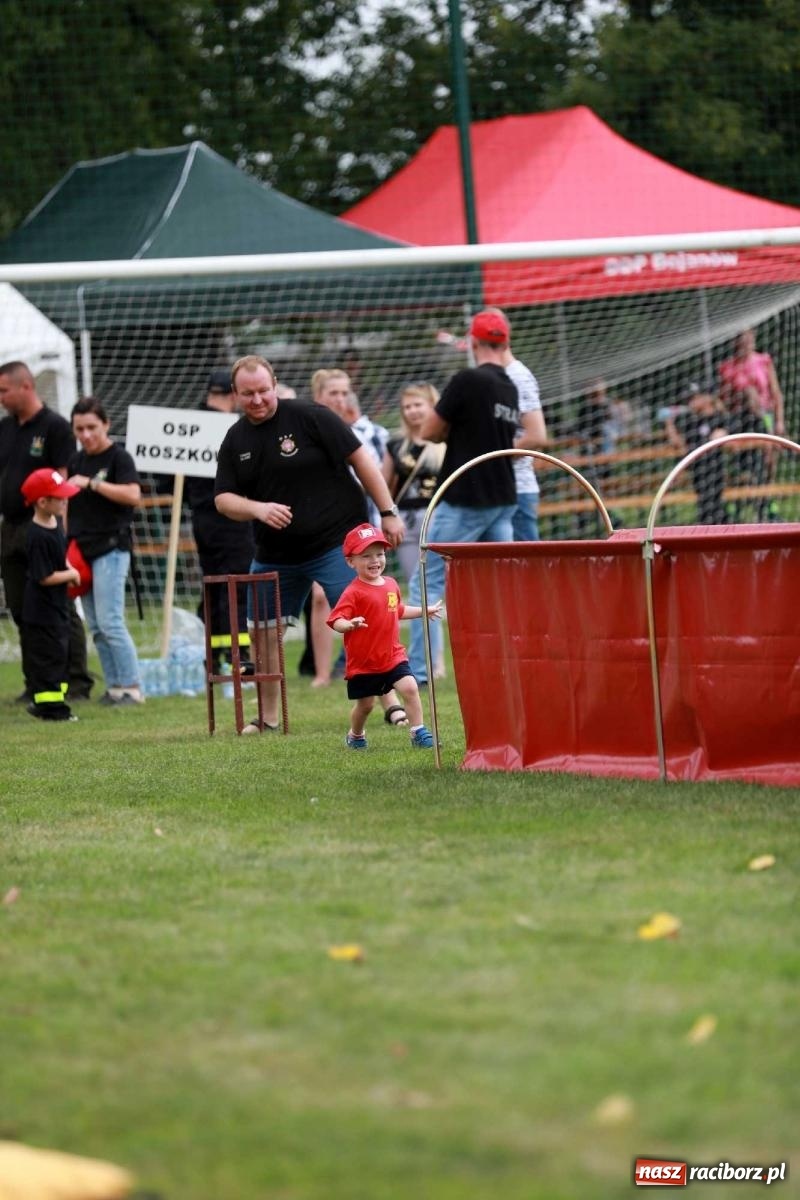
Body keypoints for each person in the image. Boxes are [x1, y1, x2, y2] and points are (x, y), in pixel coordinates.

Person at [214, 355, 404, 734]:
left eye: (263, 391)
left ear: (275, 385)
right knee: (263, 632)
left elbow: (362, 460)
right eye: (248, 393)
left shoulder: (311, 416)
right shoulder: (235, 439)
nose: (257, 400)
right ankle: (268, 718)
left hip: (337, 542)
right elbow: (223, 500)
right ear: (236, 395)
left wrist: (387, 511)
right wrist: (258, 508)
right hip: (276, 553)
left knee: (367, 618)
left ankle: (393, 702)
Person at [405, 310, 522, 686]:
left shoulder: (466, 380)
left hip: (465, 498)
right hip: (503, 497)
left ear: (472, 344)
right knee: (497, 587)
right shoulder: (509, 386)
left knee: (426, 584)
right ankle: (505, 664)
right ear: (504, 343)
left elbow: (428, 430)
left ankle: (421, 674)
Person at [0, 360, 94, 703]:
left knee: (59, 604)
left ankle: (77, 681)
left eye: (3, 390)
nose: (0, 398)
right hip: (10, 528)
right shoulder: (5, 429)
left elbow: (62, 482)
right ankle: (37, 681)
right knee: (22, 606)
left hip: (43, 527)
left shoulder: (54, 427)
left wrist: (60, 534)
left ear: (26, 386)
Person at [327, 523, 442, 750]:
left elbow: (397, 610)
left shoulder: (390, 584)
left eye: (379, 554)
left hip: (392, 656)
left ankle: (418, 731)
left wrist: (423, 610)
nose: (375, 560)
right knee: (366, 706)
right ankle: (356, 735)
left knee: (409, 687)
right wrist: (348, 624)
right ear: (351, 561)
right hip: (364, 663)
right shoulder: (353, 592)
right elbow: (335, 620)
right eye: (366, 556)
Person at [67, 397, 145, 705]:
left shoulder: (119, 458)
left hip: (111, 548)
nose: (85, 435)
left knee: (111, 620)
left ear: (106, 425)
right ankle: (114, 688)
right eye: (79, 429)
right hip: (81, 549)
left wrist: (93, 484)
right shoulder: (75, 460)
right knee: (96, 625)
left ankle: (133, 688)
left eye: (91, 428)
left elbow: (133, 495)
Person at [185, 369, 254, 674]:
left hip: (201, 520)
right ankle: (239, 658)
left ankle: (213, 657)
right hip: (231, 520)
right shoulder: (231, 429)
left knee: (213, 586)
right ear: (233, 394)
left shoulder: (189, 426)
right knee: (235, 588)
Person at [382, 382, 446, 678]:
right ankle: (429, 660)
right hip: (405, 518)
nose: (413, 411)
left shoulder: (447, 439)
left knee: (431, 588)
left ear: (432, 405)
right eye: (407, 406)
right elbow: (384, 484)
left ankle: (435, 661)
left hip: (437, 514)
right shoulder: (396, 444)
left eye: (418, 404)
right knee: (417, 587)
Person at [19, 467, 82, 722]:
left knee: (61, 655)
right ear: (43, 502)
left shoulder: (55, 524)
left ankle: (57, 701)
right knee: (48, 659)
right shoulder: (36, 536)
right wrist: (72, 575)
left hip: (57, 608)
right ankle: (51, 709)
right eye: (60, 496)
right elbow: (44, 577)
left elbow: (60, 558)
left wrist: (68, 567)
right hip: (41, 612)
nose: (65, 500)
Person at [484, 309, 548, 541]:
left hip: (518, 490)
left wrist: (490, 457)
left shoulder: (518, 376)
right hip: (496, 491)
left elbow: (537, 436)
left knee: (525, 568)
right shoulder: (493, 376)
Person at [664, 383, 729, 526]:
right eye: (688, 400)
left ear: (705, 398)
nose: (690, 403)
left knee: (715, 505)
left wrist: (722, 433)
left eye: (693, 398)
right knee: (703, 505)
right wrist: (669, 423)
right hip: (698, 470)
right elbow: (679, 444)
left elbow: (727, 437)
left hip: (715, 469)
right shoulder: (691, 421)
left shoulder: (719, 417)